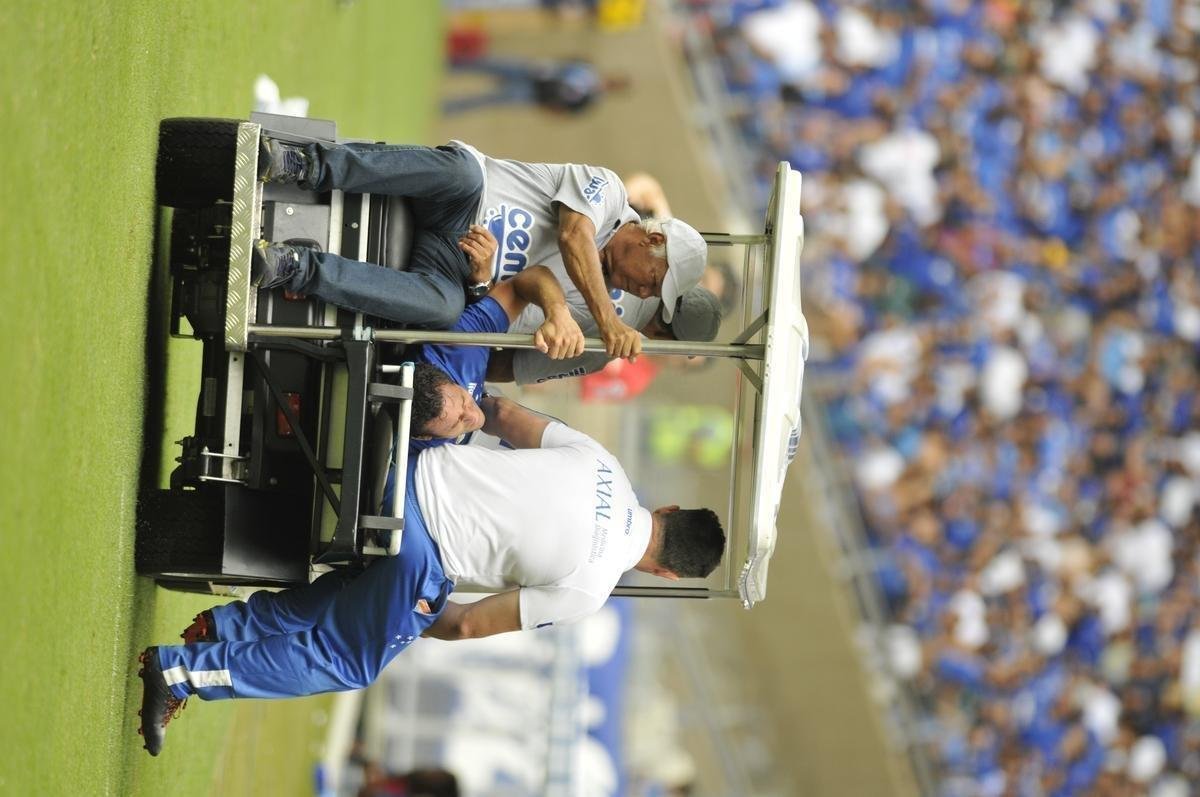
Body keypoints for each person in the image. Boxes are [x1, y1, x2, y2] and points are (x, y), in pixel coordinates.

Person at [135, 397, 726, 756]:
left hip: (411, 460)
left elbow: (503, 414)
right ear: (669, 573)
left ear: (669, 508)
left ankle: (219, 630)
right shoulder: (589, 591)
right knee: (353, 657)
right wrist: (413, 622)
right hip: (424, 546)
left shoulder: (606, 464)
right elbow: (468, 626)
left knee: (362, 602)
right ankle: (181, 674)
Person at [253, 137, 709, 362]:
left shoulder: (600, 311)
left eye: (653, 296)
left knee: (445, 309)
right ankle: (303, 164)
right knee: (464, 174)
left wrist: (483, 280)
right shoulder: (608, 191)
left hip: (459, 269)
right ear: (653, 241)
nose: (645, 295)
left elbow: (505, 304)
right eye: (652, 281)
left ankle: (293, 267)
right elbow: (574, 235)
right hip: (463, 196)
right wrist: (607, 322)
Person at [443, 56, 631, 116]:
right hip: (535, 73)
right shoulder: (588, 69)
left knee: (489, 99)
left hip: (535, 94)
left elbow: (563, 111)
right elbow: (564, 63)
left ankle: (449, 107)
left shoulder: (589, 100)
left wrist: (544, 106)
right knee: (492, 64)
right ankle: (452, 64)